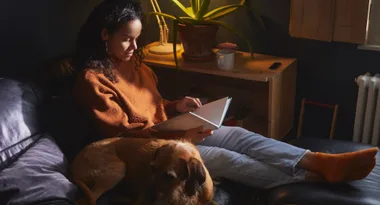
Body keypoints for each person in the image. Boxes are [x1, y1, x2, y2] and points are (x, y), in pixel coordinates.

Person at [71, 0, 378, 190]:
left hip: (171, 134)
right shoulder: (92, 80)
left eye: (137, 39)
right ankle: (311, 180)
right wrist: (183, 137)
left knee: (238, 135)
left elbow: (152, 106)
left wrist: (176, 106)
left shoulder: (134, 64)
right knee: (230, 160)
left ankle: (320, 162)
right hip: (152, 151)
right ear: (104, 34)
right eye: (127, 39)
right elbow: (121, 136)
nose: (135, 48)